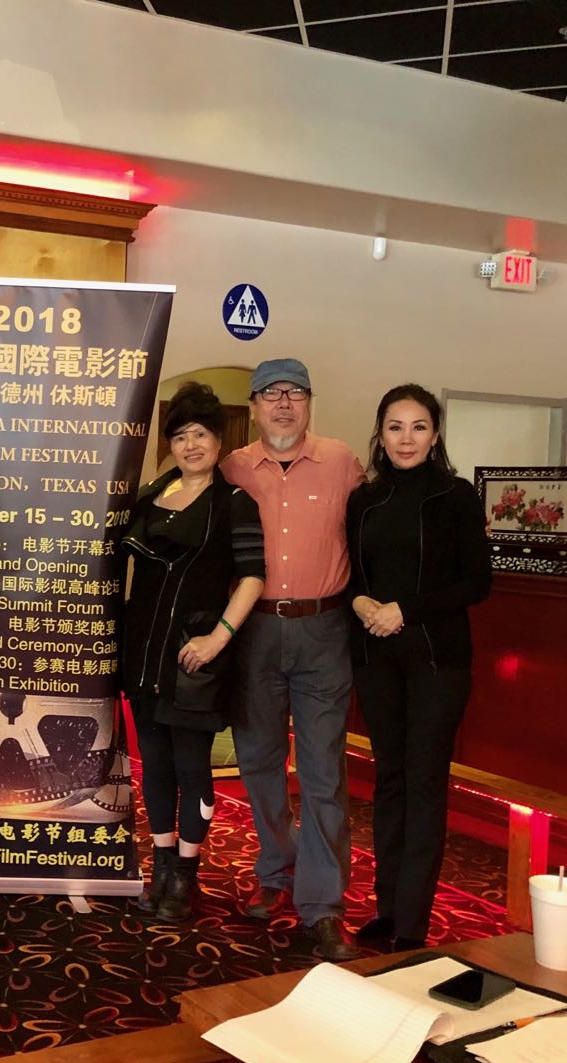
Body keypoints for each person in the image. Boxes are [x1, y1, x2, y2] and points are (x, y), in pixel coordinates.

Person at [221, 357, 366, 962]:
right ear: (254, 407)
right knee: (258, 761)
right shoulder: (232, 467)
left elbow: (368, 537)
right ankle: (275, 871)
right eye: (270, 393)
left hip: (323, 629)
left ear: (309, 403)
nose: (283, 403)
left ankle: (323, 903)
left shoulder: (342, 463)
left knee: (323, 770)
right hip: (253, 630)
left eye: (295, 393)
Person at [346, 384, 491, 951]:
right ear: (380, 435)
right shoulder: (365, 499)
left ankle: (412, 923)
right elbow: (353, 576)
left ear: (435, 435)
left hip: (437, 660)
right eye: (395, 427)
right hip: (376, 658)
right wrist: (360, 601)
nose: (406, 438)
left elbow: (476, 583)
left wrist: (405, 609)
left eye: (419, 426)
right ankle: (387, 910)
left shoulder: (456, 495)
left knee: (424, 783)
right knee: (389, 780)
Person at [122, 383, 265, 921]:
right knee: (154, 764)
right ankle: (160, 864)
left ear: (219, 440)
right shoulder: (150, 497)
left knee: (191, 766)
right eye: (180, 436)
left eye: (201, 434)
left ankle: (186, 872)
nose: (191, 445)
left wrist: (218, 637)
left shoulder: (234, 502)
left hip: (195, 655)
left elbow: (252, 577)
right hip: (144, 651)